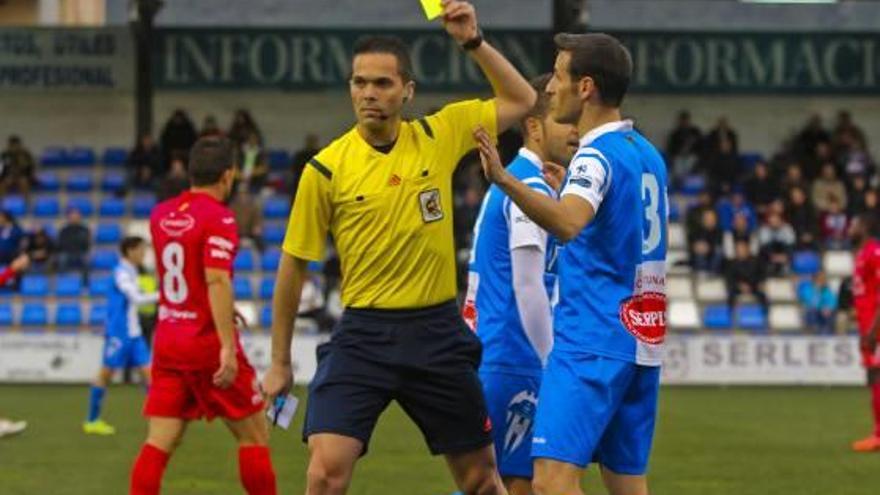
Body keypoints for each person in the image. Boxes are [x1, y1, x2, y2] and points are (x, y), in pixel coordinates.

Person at [261, 2, 536, 493]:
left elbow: (521, 98)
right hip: (364, 332)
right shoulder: (325, 170)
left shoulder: (439, 133)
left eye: (382, 83)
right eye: (360, 82)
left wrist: (472, 41)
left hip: (435, 330)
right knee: (324, 473)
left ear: (407, 91)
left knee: (480, 480)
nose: (369, 93)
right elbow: (293, 267)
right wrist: (280, 360)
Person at [476, 32, 666, 495]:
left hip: (591, 339)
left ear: (586, 87)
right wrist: (568, 190)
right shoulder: (647, 154)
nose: (549, 89)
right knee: (626, 483)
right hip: (642, 340)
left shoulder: (595, 154)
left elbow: (567, 224)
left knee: (551, 481)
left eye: (559, 76)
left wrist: (505, 179)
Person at [130, 136, 276, 494]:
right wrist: (228, 345)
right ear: (228, 176)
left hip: (168, 340)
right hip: (206, 342)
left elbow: (188, 279)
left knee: (160, 441)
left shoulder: (160, 214)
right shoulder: (220, 218)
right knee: (255, 436)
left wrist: (223, 311)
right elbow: (215, 279)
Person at [464, 73, 578, 495]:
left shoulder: (528, 185)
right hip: (513, 353)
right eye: (567, 122)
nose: (576, 133)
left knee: (492, 481)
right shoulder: (525, 189)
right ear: (533, 126)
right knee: (514, 484)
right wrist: (553, 363)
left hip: (500, 350)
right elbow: (527, 287)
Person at [83, 237, 159, 436]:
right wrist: (165, 295)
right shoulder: (121, 272)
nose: (144, 254)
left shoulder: (133, 271)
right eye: (142, 250)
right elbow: (137, 298)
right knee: (105, 374)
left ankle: (157, 422)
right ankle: (92, 420)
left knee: (149, 374)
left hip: (134, 333)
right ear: (130, 251)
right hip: (119, 333)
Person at [849, 213, 880, 452]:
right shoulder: (860, 255)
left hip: (876, 329)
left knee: (877, 376)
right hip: (868, 326)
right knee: (873, 377)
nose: (850, 228)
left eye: (855, 224)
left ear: (865, 227)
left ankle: (878, 435)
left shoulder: (874, 253)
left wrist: (872, 330)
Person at [725, 239, 767, 311]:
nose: (741, 251)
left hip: (753, 285)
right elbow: (729, 278)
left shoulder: (756, 261)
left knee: (763, 295)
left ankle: (764, 315)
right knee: (730, 294)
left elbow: (763, 273)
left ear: (747, 249)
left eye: (743, 248)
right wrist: (740, 285)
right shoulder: (731, 263)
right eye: (739, 249)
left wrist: (760, 282)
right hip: (738, 287)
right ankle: (732, 314)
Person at [57, 207, 91, 276]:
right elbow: (61, 243)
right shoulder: (64, 230)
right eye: (72, 216)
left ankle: (85, 283)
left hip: (80, 252)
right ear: (69, 218)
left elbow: (86, 243)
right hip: (67, 252)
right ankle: (62, 279)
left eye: (76, 216)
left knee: (86, 260)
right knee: (62, 258)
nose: (74, 218)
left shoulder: (84, 229)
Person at [0, 135, 37, 199]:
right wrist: (5, 177)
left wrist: (26, 176)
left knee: (23, 182)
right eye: (12, 145)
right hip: (8, 177)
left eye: (16, 145)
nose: (14, 147)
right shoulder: (4, 155)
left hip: (22, 177)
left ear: (19, 145)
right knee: (2, 184)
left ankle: (27, 204)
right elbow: (1, 169)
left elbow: (31, 168)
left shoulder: (26, 155)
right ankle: (2, 204)